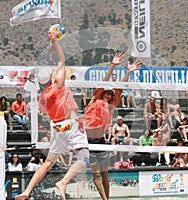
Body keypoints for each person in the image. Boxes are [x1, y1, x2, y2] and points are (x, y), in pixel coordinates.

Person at [16, 26, 89, 200]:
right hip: (71, 125)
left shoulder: (42, 97)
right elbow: (62, 60)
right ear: (51, 79)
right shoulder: (58, 85)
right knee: (85, 158)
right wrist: (55, 41)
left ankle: (27, 191)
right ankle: (63, 182)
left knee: (48, 162)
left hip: (57, 128)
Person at [83, 53, 141, 200]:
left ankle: (106, 199)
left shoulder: (110, 106)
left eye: (111, 94)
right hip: (88, 142)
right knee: (95, 174)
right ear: (103, 93)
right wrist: (113, 66)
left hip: (101, 141)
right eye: (107, 92)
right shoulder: (94, 100)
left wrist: (128, 72)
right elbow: (103, 82)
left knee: (105, 173)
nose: (109, 95)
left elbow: (121, 89)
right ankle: (104, 199)